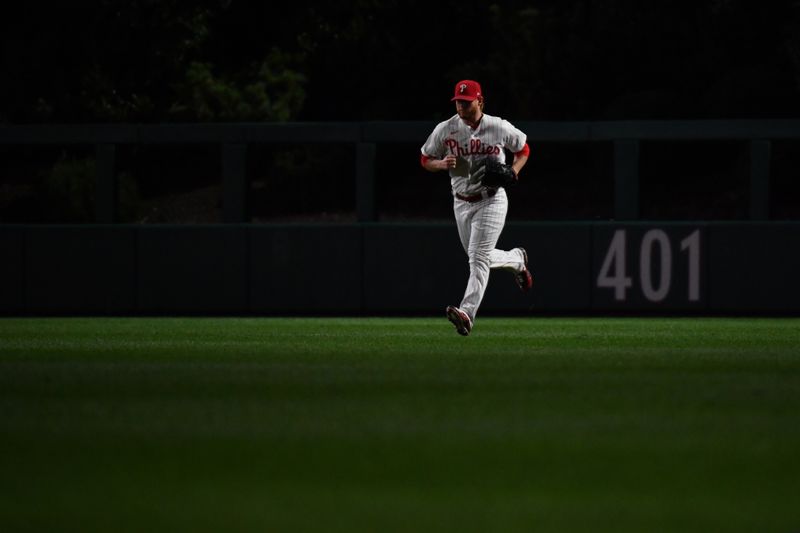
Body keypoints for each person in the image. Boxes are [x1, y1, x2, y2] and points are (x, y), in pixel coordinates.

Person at [420, 79, 532, 336]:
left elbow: (523, 149)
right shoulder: (447, 129)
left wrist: (513, 171)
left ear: (479, 101)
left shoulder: (497, 126)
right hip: (460, 201)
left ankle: (466, 314)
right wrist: (441, 165)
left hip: (491, 199)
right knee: (479, 256)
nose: (460, 105)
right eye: (458, 101)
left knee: (478, 258)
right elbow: (425, 158)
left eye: (466, 101)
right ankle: (516, 259)